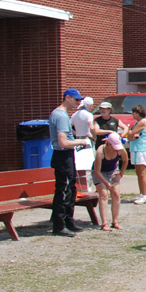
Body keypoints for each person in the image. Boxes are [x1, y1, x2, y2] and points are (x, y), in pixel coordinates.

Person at [48, 88, 92, 237]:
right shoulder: (60, 115)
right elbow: (62, 142)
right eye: (76, 100)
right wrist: (81, 141)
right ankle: (59, 225)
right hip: (62, 156)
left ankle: (68, 220)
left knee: (71, 188)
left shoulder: (63, 115)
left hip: (67, 156)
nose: (78, 102)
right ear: (67, 98)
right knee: (64, 190)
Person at [92, 131, 126, 231]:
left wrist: (120, 174)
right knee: (104, 194)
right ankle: (104, 223)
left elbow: (125, 160)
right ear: (108, 144)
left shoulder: (120, 149)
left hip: (112, 171)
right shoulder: (100, 151)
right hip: (100, 173)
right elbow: (97, 171)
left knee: (116, 194)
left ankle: (115, 221)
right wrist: (106, 183)